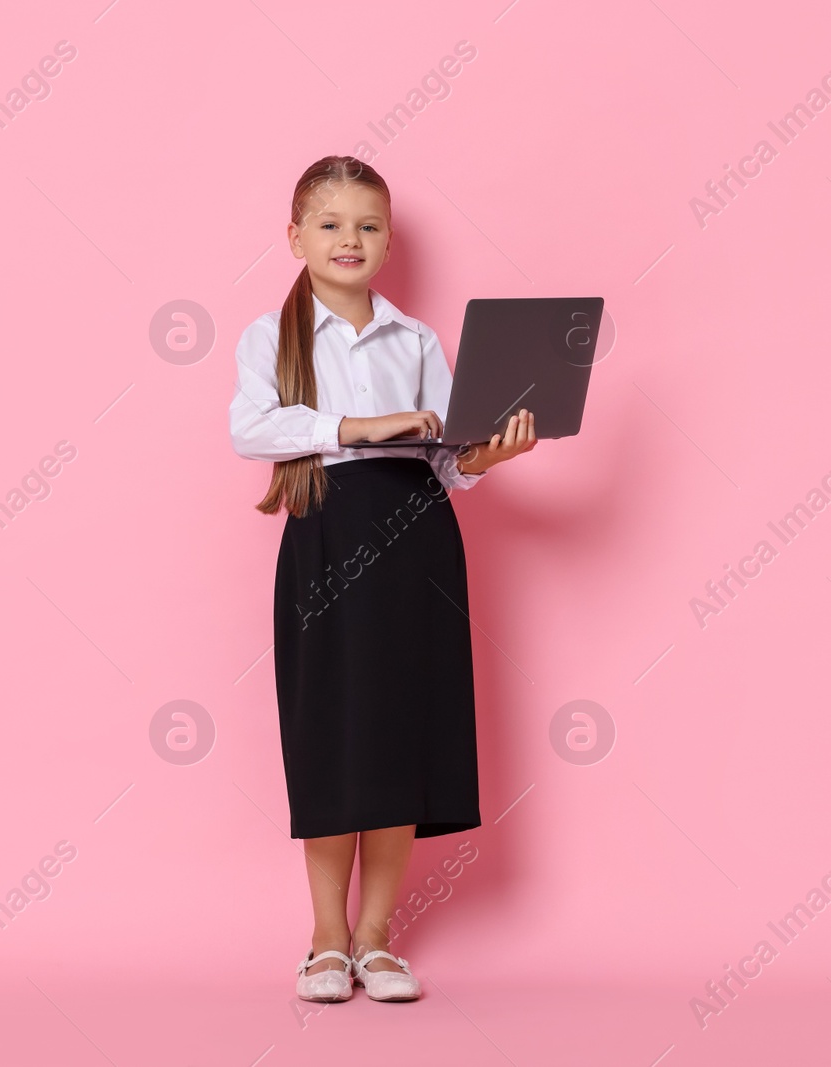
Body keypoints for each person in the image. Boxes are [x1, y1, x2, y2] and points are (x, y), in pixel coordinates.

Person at [227, 155, 536, 1003]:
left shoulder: (417, 339)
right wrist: (363, 425)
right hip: (327, 537)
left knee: (399, 732)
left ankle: (376, 938)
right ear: (295, 237)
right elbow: (250, 427)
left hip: (418, 544)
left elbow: (450, 459)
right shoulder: (270, 337)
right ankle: (325, 939)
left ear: (389, 240)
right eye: (329, 224)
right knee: (333, 730)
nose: (349, 239)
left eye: (366, 225)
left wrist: (487, 450)